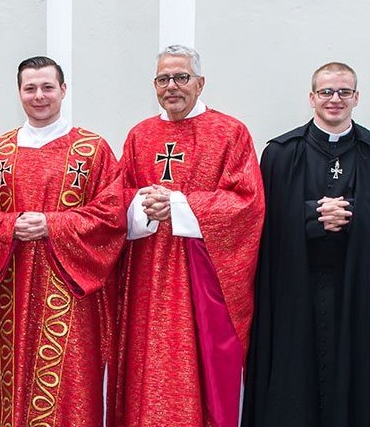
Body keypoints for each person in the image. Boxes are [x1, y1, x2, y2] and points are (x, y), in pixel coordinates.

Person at [242, 62, 370, 427]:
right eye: (326, 92)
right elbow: (262, 224)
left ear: (356, 98)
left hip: (360, 289)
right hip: (297, 289)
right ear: (312, 97)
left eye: (343, 92)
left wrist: (351, 215)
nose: (335, 100)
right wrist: (311, 216)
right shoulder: (281, 154)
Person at [0, 56, 125, 427]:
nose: (39, 96)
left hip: (70, 291)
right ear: (19, 93)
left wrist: (53, 225)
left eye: (47, 87)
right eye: (30, 88)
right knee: (4, 380)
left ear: (63, 91)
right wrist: (8, 226)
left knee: (68, 382)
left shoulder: (92, 150)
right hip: (9, 286)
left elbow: (111, 214)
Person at [108, 45, 264, 427]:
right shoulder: (139, 135)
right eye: (163, 79)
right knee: (148, 361)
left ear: (200, 82)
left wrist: (177, 205)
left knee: (202, 362)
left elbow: (247, 203)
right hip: (146, 275)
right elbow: (115, 197)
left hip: (204, 278)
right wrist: (141, 206)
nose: (172, 87)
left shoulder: (230, 132)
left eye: (181, 77)